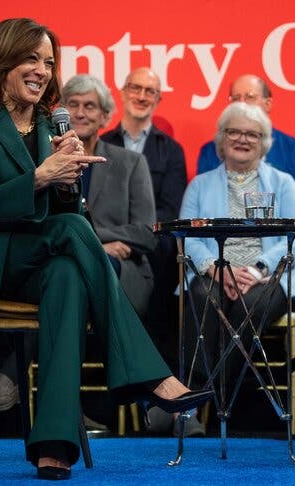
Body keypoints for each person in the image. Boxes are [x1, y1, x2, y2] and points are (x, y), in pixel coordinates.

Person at [0, 18, 211, 480]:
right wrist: (39, 176)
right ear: (3, 59)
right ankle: (148, 373)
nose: (42, 70)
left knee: (68, 275)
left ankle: (54, 442)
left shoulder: (43, 124)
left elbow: (58, 214)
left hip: (28, 256)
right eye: (32, 58)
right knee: (72, 233)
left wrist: (67, 176)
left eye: (49, 62)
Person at [0, 74, 158, 423]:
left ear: (105, 116)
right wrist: (93, 241)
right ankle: (68, 412)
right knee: (70, 273)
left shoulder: (131, 162)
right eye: (73, 105)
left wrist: (87, 239)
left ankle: (14, 375)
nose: (81, 113)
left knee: (82, 268)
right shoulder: (40, 159)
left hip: (126, 275)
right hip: (62, 261)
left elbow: (147, 233)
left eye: (91, 106)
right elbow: (37, 223)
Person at [180, 102, 295, 431]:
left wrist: (257, 268)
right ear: (221, 140)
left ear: (265, 141)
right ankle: (206, 402)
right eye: (234, 131)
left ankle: (197, 398)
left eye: (253, 134)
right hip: (216, 272)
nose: (242, 139)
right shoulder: (199, 184)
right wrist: (215, 268)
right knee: (200, 294)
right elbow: (187, 238)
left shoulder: (283, 183)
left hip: (268, 276)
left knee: (250, 305)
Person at [100, 67, 186, 364]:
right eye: (135, 88)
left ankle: (153, 363)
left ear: (159, 99)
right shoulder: (102, 144)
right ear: (122, 92)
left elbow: (170, 209)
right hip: (108, 239)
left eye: (150, 91)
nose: (141, 96)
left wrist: (135, 234)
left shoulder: (171, 150)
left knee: (166, 250)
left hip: (152, 244)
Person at [196, 74, 295, 224]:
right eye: (235, 98)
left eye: (250, 97)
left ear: (267, 104)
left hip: (280, 238)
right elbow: (202, 209)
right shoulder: (210, 151)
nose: (241, 104)